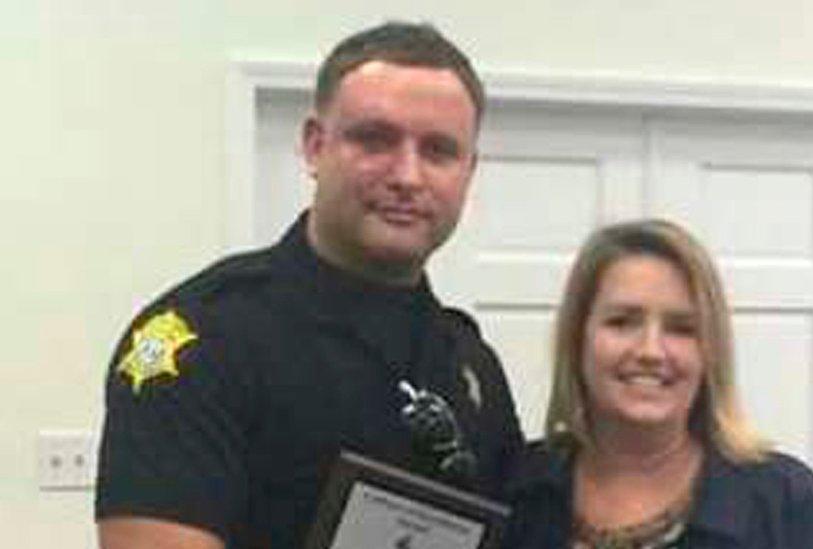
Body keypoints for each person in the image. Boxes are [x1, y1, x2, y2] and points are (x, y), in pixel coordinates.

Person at [96, 22, 523, 549]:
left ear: (468, 172)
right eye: (375, 140)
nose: (408, 176)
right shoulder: (203, 341)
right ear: (315, 146)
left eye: (438, 151)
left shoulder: (471, 366)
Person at [504, 219, 813, 548]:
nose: (651, 351)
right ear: (578, 337)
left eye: (681, 328)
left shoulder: (786, 504)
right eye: (622, 322)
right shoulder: (515, 491)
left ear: (711, 350)